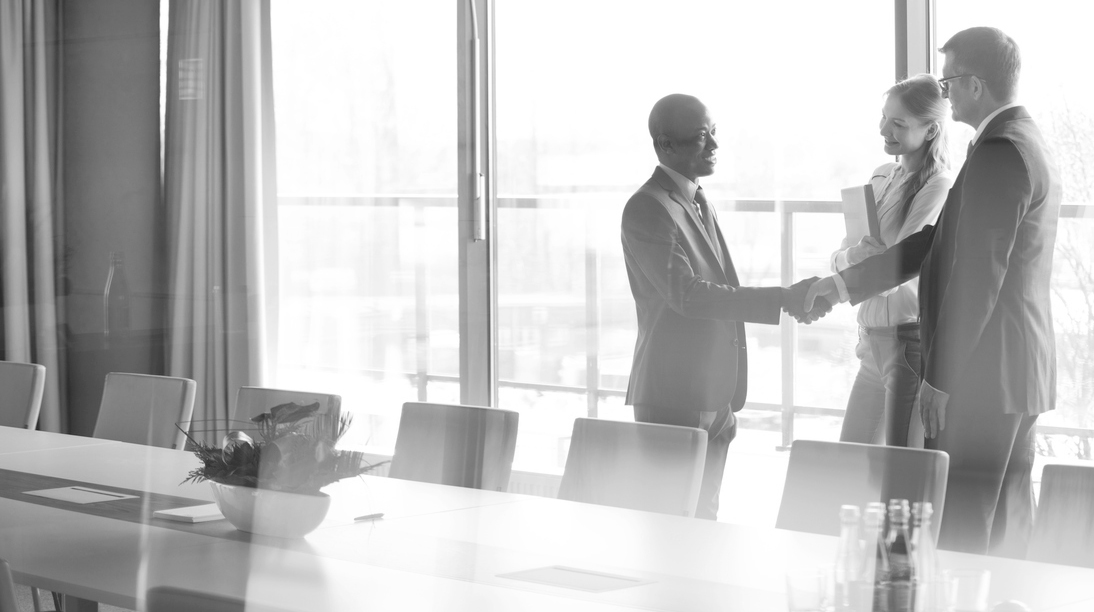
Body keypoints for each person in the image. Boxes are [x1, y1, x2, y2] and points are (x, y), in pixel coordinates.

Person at [805, 27, 1061, 556]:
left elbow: (978, 278)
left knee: (964, 531)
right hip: (1017, 368)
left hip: (987, 374)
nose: (943, 94)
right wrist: (840, 285)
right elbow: (935, 243)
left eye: (947, 83)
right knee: (1006, 527)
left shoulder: (999, 151)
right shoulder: (1023, 139)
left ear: (972, 84)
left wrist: (939, 378)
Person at [621, 94, 824, 520]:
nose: (714, 145)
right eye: (700, 137)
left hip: (715, 395)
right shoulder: (647, 208)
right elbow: (690, 296)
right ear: (665, 145)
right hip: (674, 395)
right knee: (669, 526)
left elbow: (717, 286)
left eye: (714, 133)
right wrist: (783, 298)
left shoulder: (697, 199)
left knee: (704, 521)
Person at [833, 74, 953, 447]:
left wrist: (859, 268)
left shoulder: (938, 184)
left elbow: (898, 272)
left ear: (931, 130)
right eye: (885, 117)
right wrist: (857, 259)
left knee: (896, 470)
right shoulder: (882, 175)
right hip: (870, 342)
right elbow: (840, 256)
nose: (884, 129)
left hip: (905, 344)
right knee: (848, 456)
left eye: (899, 123)